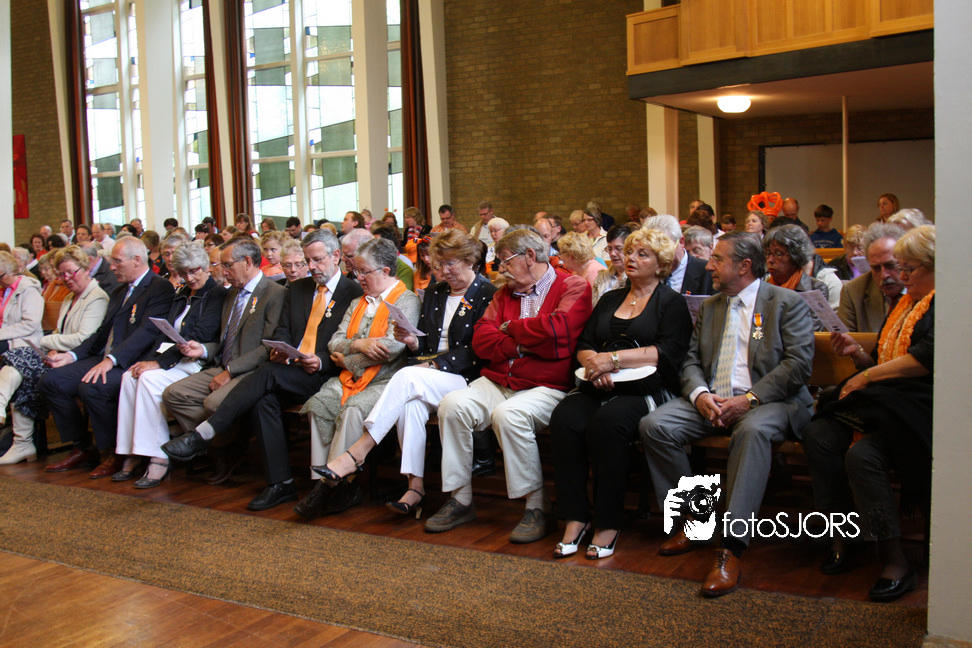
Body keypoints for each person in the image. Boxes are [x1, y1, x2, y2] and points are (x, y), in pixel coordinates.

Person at [639, 231, 814, 597]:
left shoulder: (785, 303)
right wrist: (700, 394)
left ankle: (731, 547)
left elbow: (797, 366)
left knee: (751, 432)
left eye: (718, 259)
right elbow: (690, 361)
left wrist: (748, 399)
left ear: (744, 265)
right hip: (715, 399)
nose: (709, 266)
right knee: (655, 425)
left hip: (770, 401)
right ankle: (697, 520)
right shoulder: (711, 307)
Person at [301, 231, 496, 518]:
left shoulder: (487, 293)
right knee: (409, 407)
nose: (443, 271)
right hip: (429, 375)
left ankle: (356, 454)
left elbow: (479, 350)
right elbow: (425, 345)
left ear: (470, 261)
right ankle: (415, 487)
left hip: (467, 377)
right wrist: (413, 341)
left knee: (405, 376)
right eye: (439, 264)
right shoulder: (436, 291)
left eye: (450, 264)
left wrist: (434, 365)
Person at [162, 230, 362, 510]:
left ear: (336, 256)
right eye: (308, 260)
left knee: (266, 373)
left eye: (317, 260)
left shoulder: (354, 293)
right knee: (263, 401)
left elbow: (350, 343)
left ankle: (205, 432)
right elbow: (283, 329)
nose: (311, 267)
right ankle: (280, 483)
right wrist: (281, 348)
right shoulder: (299, 289)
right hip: (290, 369)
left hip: (327, 374)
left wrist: (320, 361)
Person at [426, 229, 592, 543]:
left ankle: (537, 507)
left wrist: (510, 327)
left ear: (530, 256)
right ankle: (461, 500)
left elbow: (558, 332)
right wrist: (521, 346)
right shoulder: (505, 293)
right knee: (452, 405)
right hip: (499, 380)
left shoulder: (572, 285)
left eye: (505, 261)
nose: (501, 270)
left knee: (509, 414)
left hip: (547, 385)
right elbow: (481, 339)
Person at [802, 225, 935, 603]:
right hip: (886, 403)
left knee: (863, 456)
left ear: (934, 266)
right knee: (818, 434)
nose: (900, 277)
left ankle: (895, 558)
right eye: (896, 268)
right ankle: (844, 533)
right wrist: (857, 355)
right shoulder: (904, 305)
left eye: (907, 268)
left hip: (917, 408)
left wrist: (866, 377)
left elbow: (924, 359)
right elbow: (880, 360)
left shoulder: (943, 303)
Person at [550, 228, 691, 560]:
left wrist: (611, 360)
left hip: (646, 388)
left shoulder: (671, 303)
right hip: (599, 382)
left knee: (608, 424)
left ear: (661, 264)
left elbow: (667, 352)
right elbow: (585, 345)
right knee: (565, 419)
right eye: (629, 252)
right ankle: (576, 516)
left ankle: (608, 522)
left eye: (642, 254)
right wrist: (596, 366)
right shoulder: (611, 298)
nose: (630, 258)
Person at [298, 238, 421, 514]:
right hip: (349, 379)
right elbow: (334, 342)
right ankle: (325, 483)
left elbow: (390, 349)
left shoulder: (406, 300)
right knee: (319, 405)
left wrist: (347, 359)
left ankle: (330, 486)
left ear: (386, 271)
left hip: (386, 380)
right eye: (357, 271)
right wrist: (359, 344)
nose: (359, 278)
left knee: (354, 410)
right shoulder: (358, 302)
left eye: (365, 272)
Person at [39, 236, 176, 477]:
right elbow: (102, 333)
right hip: (107, 356)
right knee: (51, 380)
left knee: (93, 387)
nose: (112, 267)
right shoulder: (120, 290)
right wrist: (71, 356)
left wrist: (111, 360)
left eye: (117, 261)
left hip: (133, 360)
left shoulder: (158, 287)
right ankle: (82, 447)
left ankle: (115, 451)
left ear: (137, 260)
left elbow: (147, 332)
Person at [159, 238, 287, 458]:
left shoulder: (274, 293)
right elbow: (226, 340)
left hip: (252, 371)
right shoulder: (230, 294)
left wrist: (230, 371)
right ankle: (221, 445)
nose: (222, 272)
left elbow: (268, 347)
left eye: (227, 265)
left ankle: (221, 450)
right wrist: (203, 349)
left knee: (213, 403)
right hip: (222, 364)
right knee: (174, 394)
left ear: (247, 262)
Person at [113, 241, 225, 488]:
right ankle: (132, 450)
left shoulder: (216, 294)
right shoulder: (183, 292)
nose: (190, 277)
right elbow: (164, 332)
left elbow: (200, 334)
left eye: (194, 270)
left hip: (196, 361)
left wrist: (158, 363)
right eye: (184, 272)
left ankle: (158, 455)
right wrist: (152, 359)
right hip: (173, 358)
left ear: (206, 266)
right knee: (129, 376)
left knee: (148, 379)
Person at [0, 245, 111, 462]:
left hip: (86, 357)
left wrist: (44, 341)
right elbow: (60, 332)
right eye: (61, 274)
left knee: (39, 374)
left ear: (85, 268)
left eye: (71, 272)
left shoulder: (97, 297)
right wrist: (52, 346)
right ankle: (22, 442)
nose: (66, 278)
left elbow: (83, 339)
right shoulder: (70, 297)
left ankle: (73, 444)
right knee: (19, 364)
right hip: (61, 353)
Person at [837, 223, 906, 333]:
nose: (883, 275)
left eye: (890, 265)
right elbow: (846, 340)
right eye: (876, 268)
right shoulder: (853, 292)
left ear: (905, 261)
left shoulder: (925, 288)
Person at [762, 225, 830, 328]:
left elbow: (812, 330)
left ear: (795, 256)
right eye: (768, 253)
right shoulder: (761, 288)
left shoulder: (815, 289)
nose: (770, 260)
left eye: (778, 254)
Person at [643, 215, 714, 296]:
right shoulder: (643, 273)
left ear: (681, 242)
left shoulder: (707, 272)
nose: (660, 254)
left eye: (664, 247)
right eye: (652, 250)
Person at [0, 252, 43, 357]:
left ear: (9, 272)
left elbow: (30, 324)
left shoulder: (28, 290)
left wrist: (2, 333)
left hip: (21, 340)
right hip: (5, 337)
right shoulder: (4, 289)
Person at [592, 224, 635, 305]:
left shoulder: (635, 280)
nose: (612, 254)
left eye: (618, 248)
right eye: (610, 249)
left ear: (630, 249)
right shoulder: (602, 278)